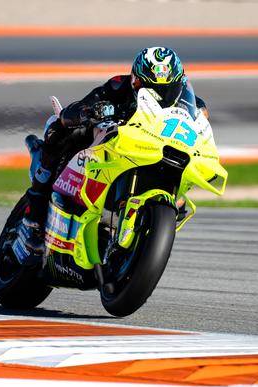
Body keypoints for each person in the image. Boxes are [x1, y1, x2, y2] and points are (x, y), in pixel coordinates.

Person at [13, 46, 209, 265]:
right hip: (113, 145)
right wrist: (89, 111)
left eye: (167, 89)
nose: (159, 95)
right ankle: (36, 212)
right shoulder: (118, 86)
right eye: (146, 87)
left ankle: (140, 236)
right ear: (135, 80)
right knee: (59, 128)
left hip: (155, 151)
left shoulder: (193, 105)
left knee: (182, 194)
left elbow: (202, 134)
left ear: (180, 83)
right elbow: (79, 108)